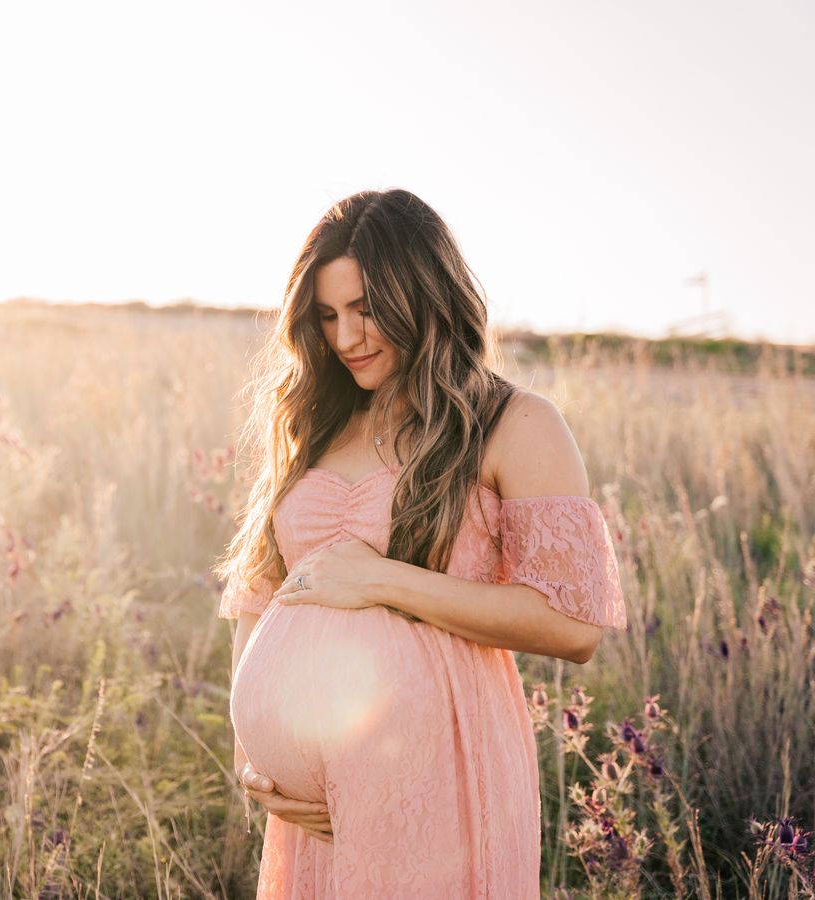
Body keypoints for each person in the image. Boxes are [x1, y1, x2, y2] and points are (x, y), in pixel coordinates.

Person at [212, 188, 627, 898]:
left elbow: (574, 624)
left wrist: (384, 581)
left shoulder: (513, 424)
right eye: (328, 315)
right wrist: (255, 756)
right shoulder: (313, 426)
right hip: (312, 819)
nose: (347, 338)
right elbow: (261, 592)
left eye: (368, 309)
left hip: (445, 781)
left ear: (425, 294)